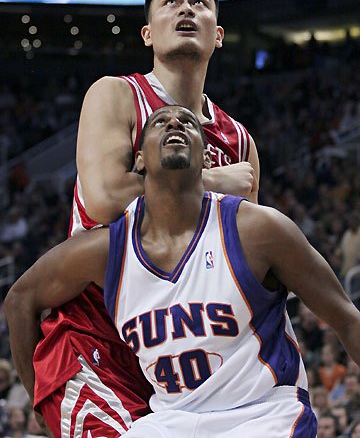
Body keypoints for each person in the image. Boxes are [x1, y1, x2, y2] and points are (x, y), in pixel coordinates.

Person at [6, 105, 360, 437]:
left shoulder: (257, 230)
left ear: (206, 158)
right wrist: (37, 400)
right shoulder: (105, 250)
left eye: (188, 122)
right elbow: (21, 299)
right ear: (140, 160)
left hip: (263, 414)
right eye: (160, 122)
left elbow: (346, 318)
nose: (174, 123)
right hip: (170, 420)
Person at [29, 0, 260, 438]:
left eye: (199, 1)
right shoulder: (117, 93)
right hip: (93, 334)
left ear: (218, 35)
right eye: (171, 1)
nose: (186, 7)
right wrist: (213, 180)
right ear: (148, 33)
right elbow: (106, 197)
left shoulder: (239, 139)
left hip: (176, 351)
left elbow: (242, 262)